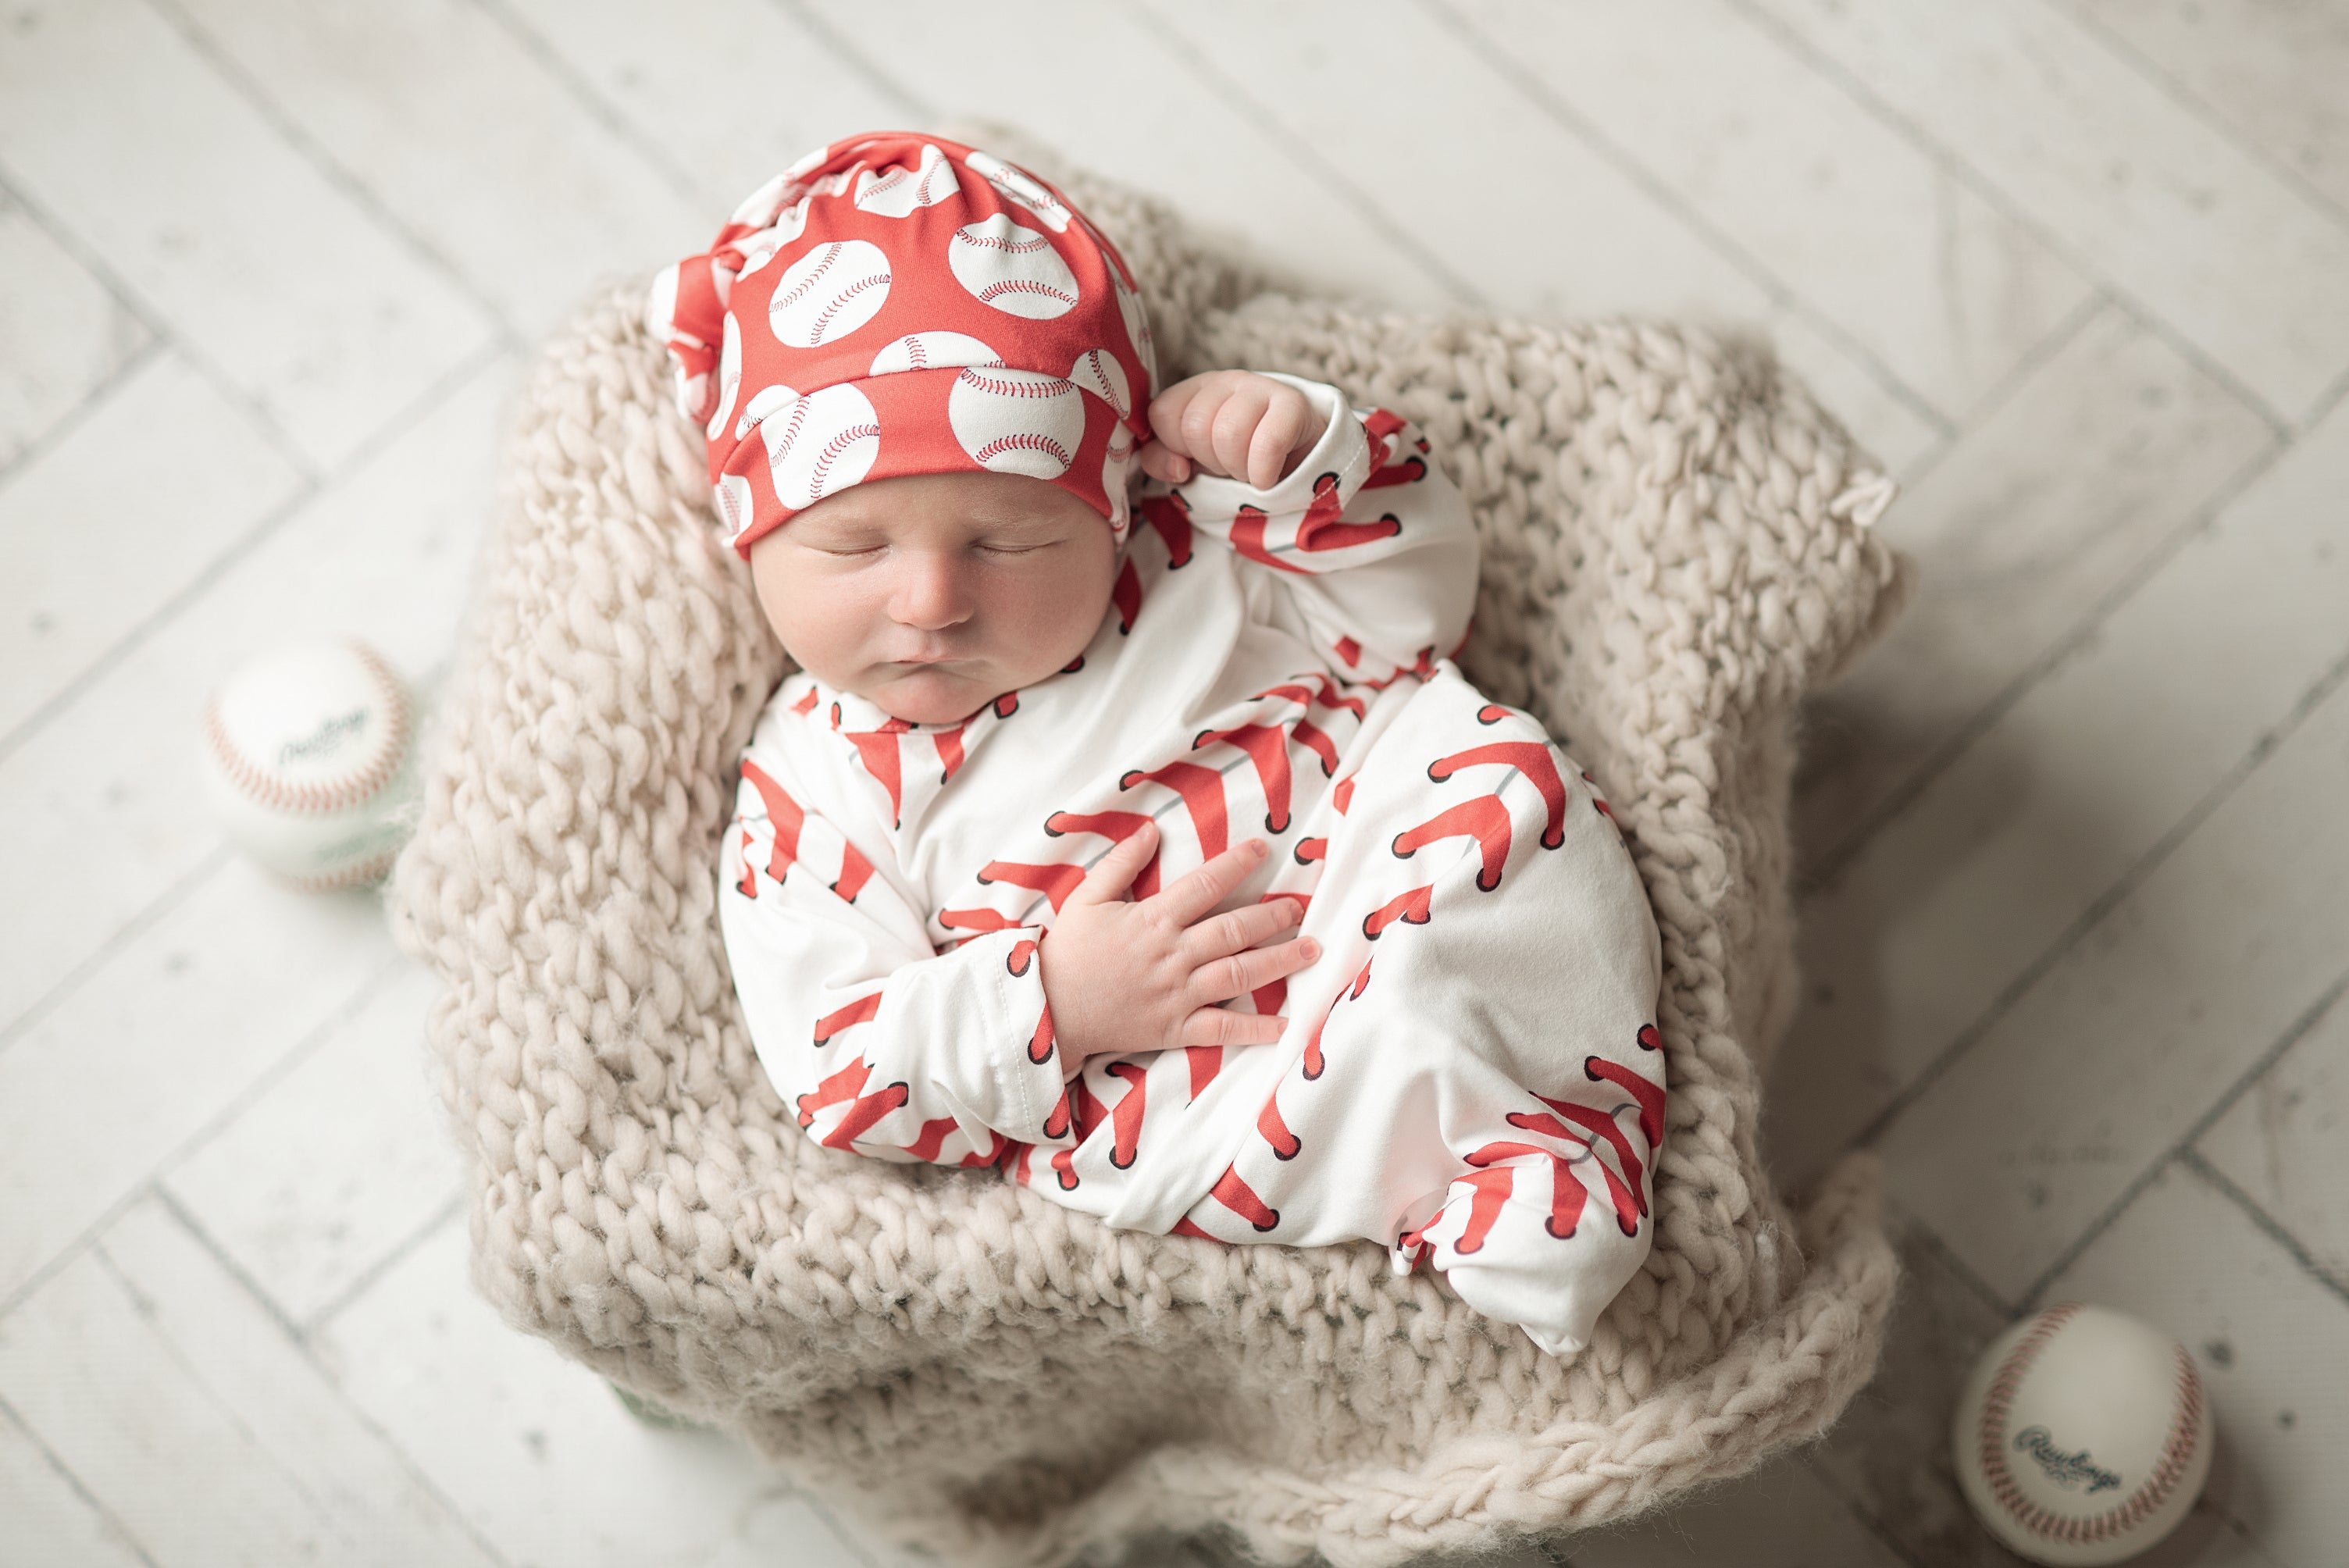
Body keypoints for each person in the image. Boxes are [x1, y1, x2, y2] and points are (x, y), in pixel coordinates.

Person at [650, 132, 1663, 1356]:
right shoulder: (813, 787)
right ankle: (1480, 1197)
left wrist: (1304, 471)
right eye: (854, 549)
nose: (930, 601)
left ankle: (1558, 1140)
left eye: (1008, 541)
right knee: (1349, 1079)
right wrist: (1061, 1002)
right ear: (749, 542)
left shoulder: (1196, 551)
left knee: (1511, 788)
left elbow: (1415, 616)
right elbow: (840, 1067)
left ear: (1114, 502)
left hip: (1380, 840)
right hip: (1196, 1059)